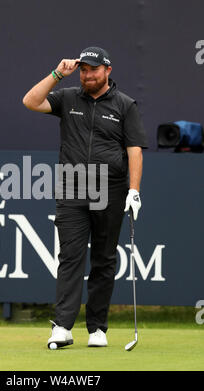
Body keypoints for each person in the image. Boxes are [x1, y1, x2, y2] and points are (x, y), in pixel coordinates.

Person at [23, 46, 148, 348]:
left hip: (111, 189)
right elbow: (30, 101)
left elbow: (134, 149)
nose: (87, 75)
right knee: (70, 257)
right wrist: (57, 74)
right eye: (83, 70)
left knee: (104, 260)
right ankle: (62, 327)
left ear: (108, 70)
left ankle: (97, 329)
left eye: (93, 70)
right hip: (72, 188)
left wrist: (134, 190)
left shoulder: (125, 105)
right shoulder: (67, 98)